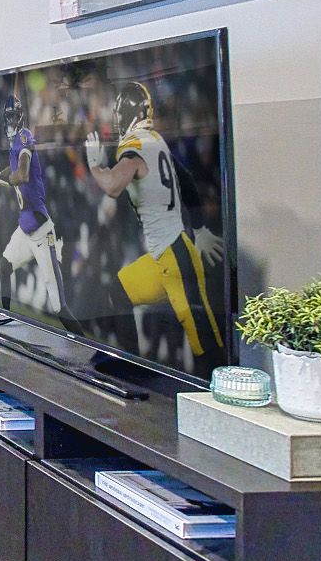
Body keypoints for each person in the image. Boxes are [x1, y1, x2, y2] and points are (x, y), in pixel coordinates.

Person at [82, 81, 224, 363]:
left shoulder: (135, 148)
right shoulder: (155, 141)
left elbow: (113, 185)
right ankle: (131, 362)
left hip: (176, 256)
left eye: (120, 114)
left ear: (128, 114)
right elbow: (186, 179)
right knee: (119, 290)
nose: (118, 119)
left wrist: (95, 167)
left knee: (206, 347)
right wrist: (198, 228)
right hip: (162, 256)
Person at [0, 96, 66, 317]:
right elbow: (12, 170)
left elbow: (22, 174)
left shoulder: (24, 136)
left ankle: (77, 337)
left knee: (59, 306)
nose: (10, 121)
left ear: (19, 117)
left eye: (13, 116)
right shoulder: (14, 146)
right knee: (4, 266)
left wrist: (7, 180)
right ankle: (6, 317)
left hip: (41, 228)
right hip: (26, 226)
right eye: (7, 117)